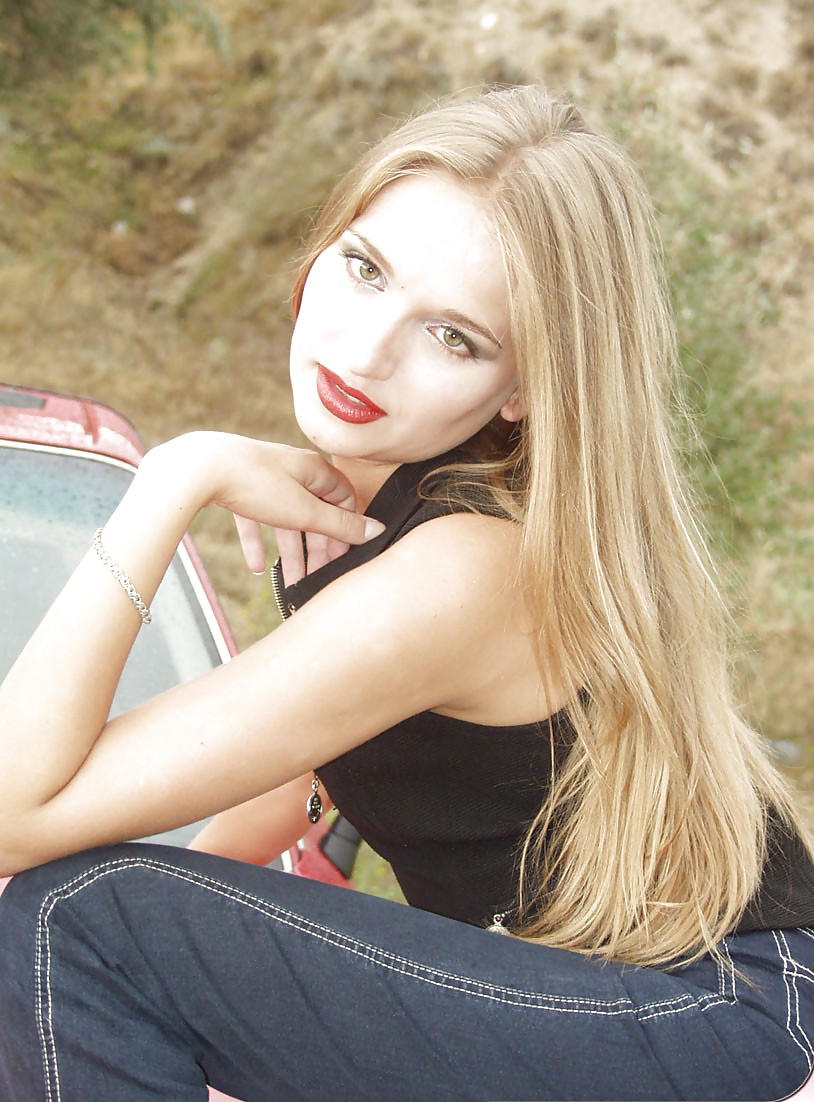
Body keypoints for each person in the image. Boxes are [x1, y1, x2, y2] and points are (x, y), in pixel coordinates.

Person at [0, 85, 812, 1102]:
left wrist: (167, 480)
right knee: (74, 923)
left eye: (454, 337)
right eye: (366, 268)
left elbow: (15, 813)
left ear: (519, 391)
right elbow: (260, 813)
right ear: (325, 241)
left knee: (81, 918)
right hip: (625, 1003)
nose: (369, 348)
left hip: (717, 1012)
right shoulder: (379, 525)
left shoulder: (461, 567)